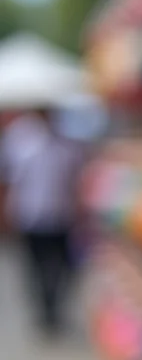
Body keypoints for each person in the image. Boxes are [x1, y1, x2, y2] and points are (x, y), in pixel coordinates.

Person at [1, 108, 86, 338]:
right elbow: (10, 182)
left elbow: (77, 182)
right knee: (36, 268)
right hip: (32, 216)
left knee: (64, 267)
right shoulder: (22, 144)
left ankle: (53, 307)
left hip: (61, 215)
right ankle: (45, 312)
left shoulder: (69, 146)